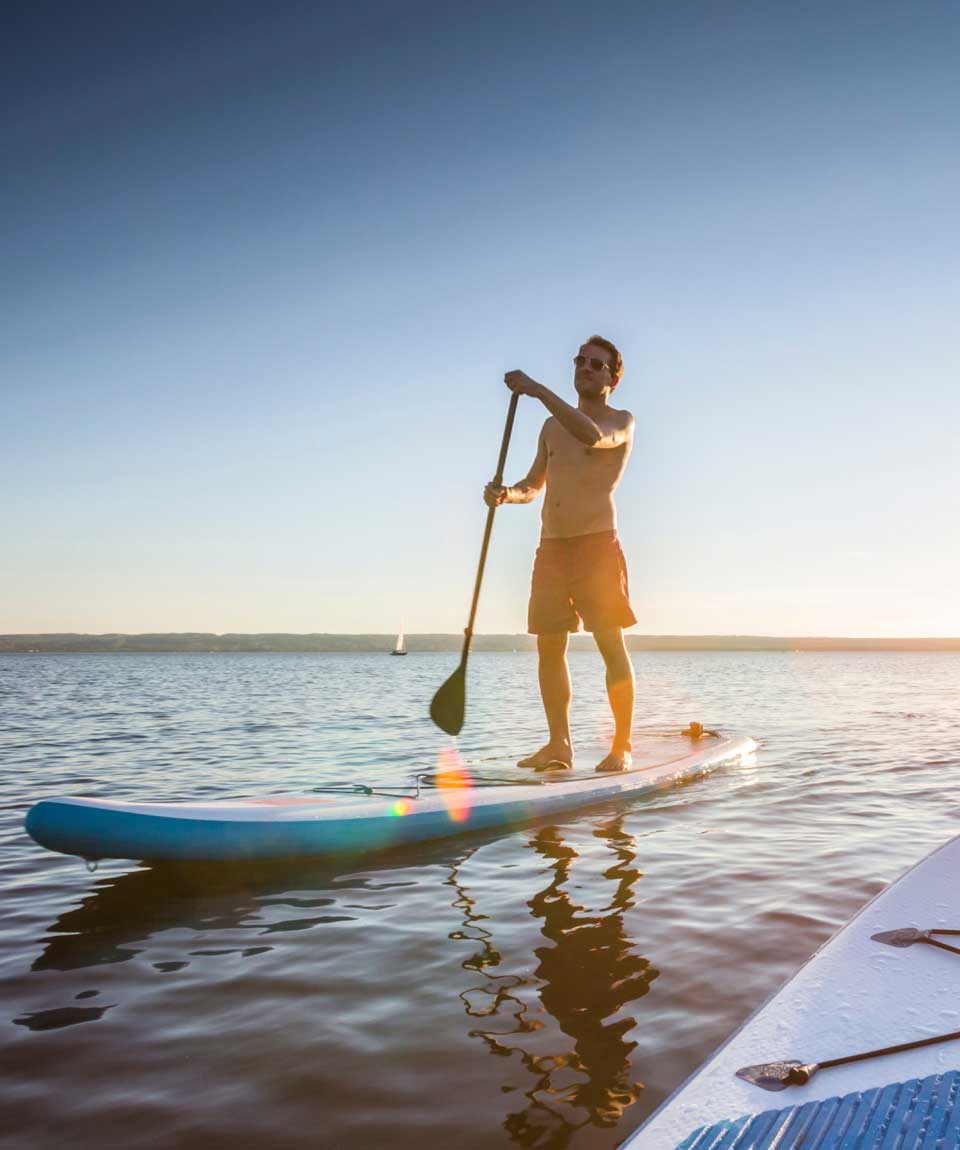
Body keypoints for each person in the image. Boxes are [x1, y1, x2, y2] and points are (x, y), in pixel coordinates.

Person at [484, 336, 637, 773]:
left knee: (610, 643)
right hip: (551, 549)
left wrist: (537, 390)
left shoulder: (621, 421)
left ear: (613, 377)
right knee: (549, 648)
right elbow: (534, 486)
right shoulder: (551, 428)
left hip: (597, 546)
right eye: (580, 361)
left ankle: (622, 746)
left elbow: (590, 435)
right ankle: (559, 745)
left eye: (597, 365)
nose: (586, 368)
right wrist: (506, 495)